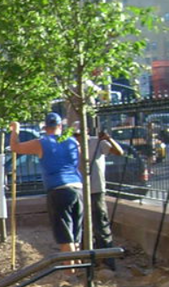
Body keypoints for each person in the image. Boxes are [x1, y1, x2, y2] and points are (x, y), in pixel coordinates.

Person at [10, 113, 83, 267]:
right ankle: (79, 267)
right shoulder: (73, 142)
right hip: (77, 187)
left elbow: (15, 147)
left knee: (64, 235)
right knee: (76, 233)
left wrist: (15, 129)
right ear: (60, 126)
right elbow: (78, 162)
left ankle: (70, 274)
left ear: (45, 127)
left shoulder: (42, 143)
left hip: (58, 189)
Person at [82, 129, 123, 271]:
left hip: (96, 189)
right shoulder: (70, 144)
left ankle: (108, 262)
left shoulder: (96, 142)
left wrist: (109, 139)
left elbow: (119, 152)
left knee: (101, 225)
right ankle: (88, 261)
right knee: (83, 228)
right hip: (79, 191)